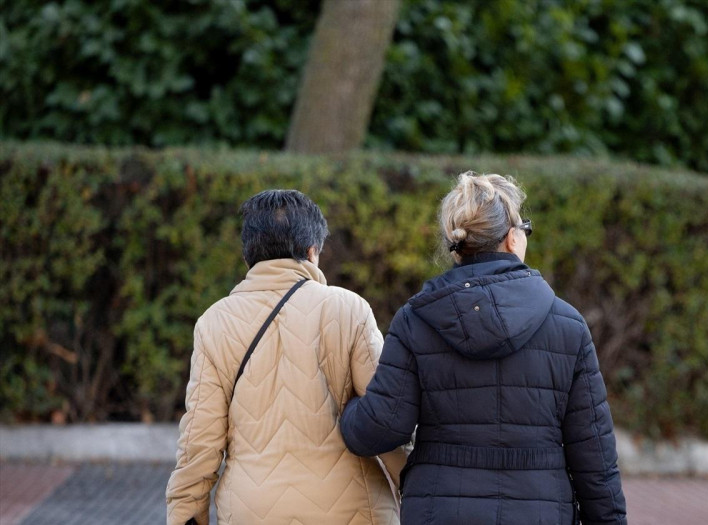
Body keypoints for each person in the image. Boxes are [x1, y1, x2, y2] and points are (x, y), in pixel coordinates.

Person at [339, 172, 627, 525]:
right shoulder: (567, 325)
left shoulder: (417, 319)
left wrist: (347, 407)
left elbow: (382, 427)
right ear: (511, 239)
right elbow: (594, 456)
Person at [166, 190, 403, 525]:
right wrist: (416, 486)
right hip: (353, 508)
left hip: (253, 510)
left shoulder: (214, 322)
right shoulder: (348, 309)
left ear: (248, 257)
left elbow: (199, 441)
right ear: (312, 251)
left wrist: (186, 515)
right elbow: (386, 418)